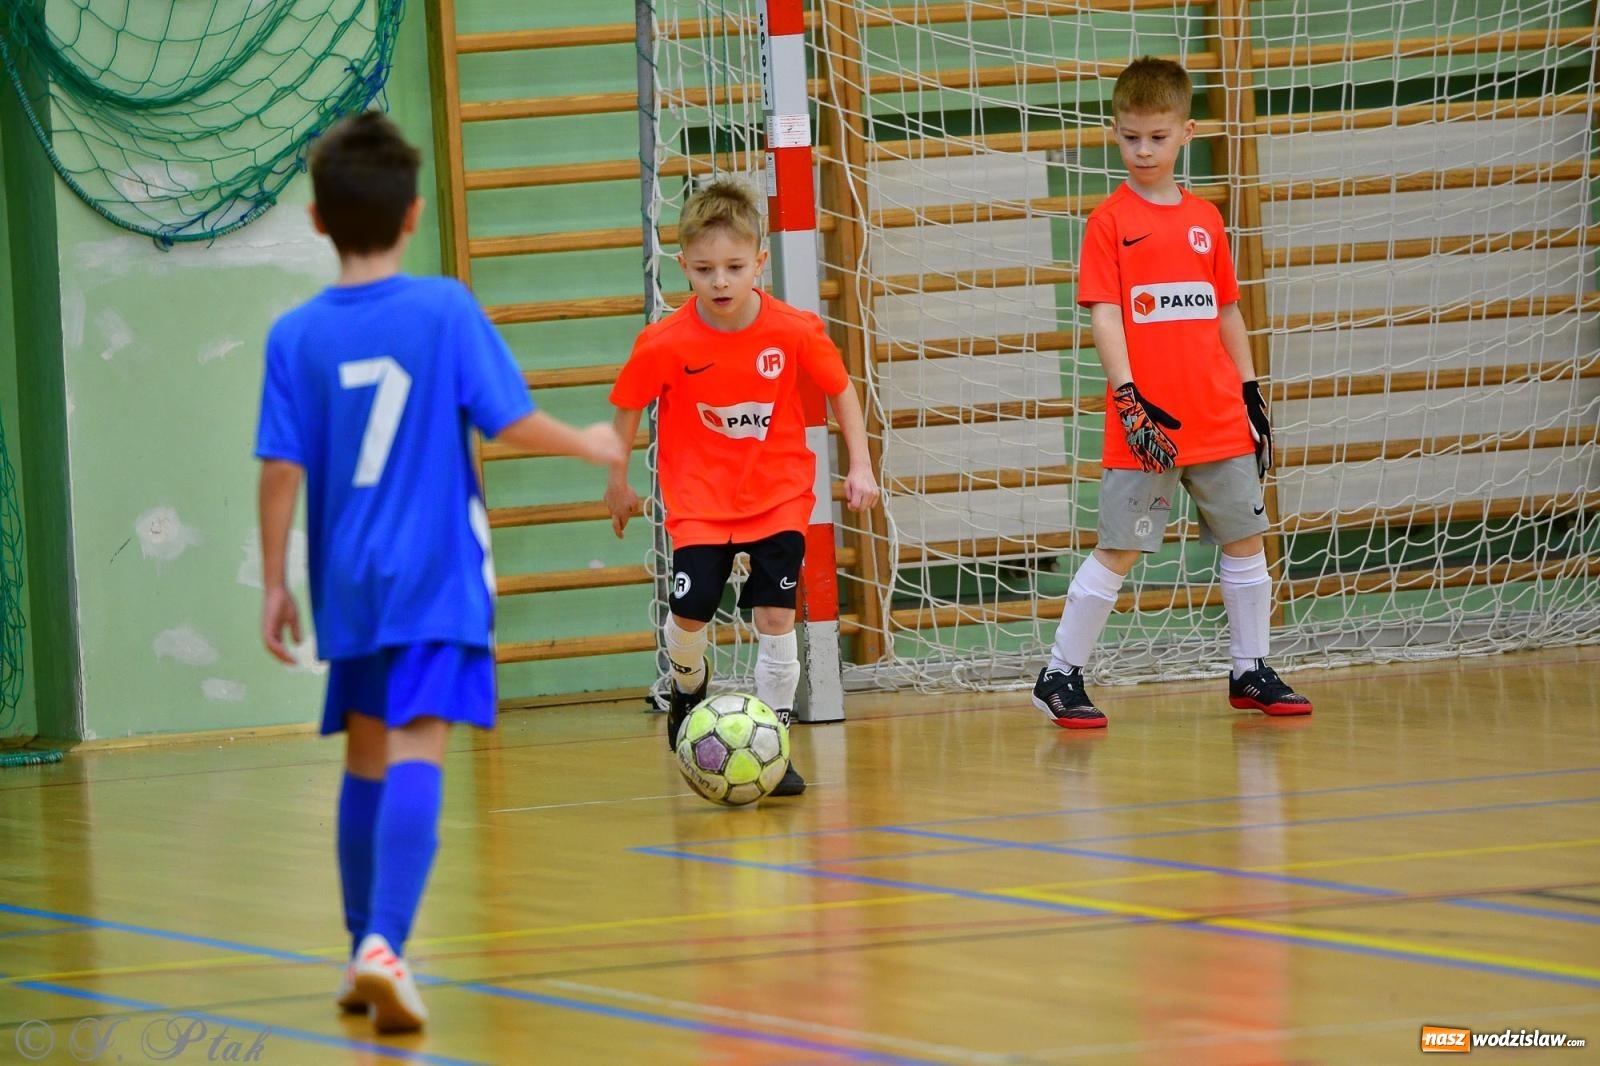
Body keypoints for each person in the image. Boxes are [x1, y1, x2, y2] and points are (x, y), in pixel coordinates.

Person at [254, 111, 625, 1032]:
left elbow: (279, 467)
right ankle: (385, 943)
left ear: (316, 220)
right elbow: (504, 421)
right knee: (421, 743)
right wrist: (585, 439)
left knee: (367, 755)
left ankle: (359, 954)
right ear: (415, 215)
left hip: (349, 580)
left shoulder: (294, 336)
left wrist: (273, 581)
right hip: (435, 576)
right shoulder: (444, 309)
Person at [1032, 57, 1312, 729]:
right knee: (1120, 549)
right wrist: (1127, 398)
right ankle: (1060, 673)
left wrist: (1249, 392)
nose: (1144, 150)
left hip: (1217, 414)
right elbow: (1104, 315)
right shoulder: (1109, 222)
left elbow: (1226, 313)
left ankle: (1250, 668)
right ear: (1116, 132)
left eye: (1157, 137)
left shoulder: (1205, 221)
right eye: (1131, 137)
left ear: (1186, 132)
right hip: (1147, 424)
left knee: (1246, 540)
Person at [605, 179, 880, 796]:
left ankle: (772, 744)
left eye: (734, 267)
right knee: (691, 610)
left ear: (760, 262)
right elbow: (627, 407)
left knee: (776, 615)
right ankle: (687, 690)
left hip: (780, 493)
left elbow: (841, 390)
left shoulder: (794, 330)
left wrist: (858, 466)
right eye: (705, 270)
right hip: (699, 501)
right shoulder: (665, 341)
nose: (720, 282)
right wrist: (618, 480)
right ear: (685, 268)